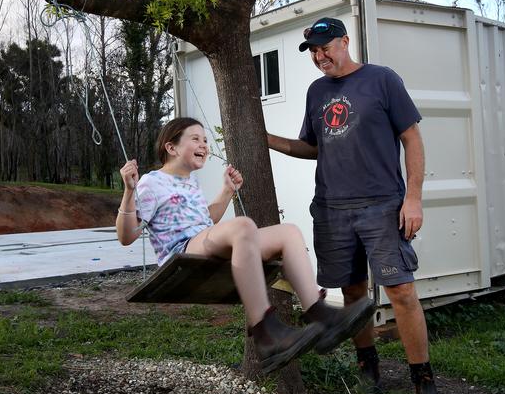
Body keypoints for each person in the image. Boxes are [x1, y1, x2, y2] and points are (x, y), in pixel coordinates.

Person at [267, 17, 443, 394]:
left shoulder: (382, 80)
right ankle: (369, 369)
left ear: (345, 41)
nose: (319, 55)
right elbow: (311, 147)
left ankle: (424, 383)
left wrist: (413, 198)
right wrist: (266, 139)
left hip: (382, 204)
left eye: (326, 46)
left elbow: (412, 138)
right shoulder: (316, 92)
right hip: (331, 208)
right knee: (352, 293)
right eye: (313, 50)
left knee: (401, 291)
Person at [116, 117, 376, 374]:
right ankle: (265, 332)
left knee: (288, 233)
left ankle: (320, 315)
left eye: (205, 140)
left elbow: (206, 221)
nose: (204, 145)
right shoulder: (151, 182)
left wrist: (227, 191)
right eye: (195, 139)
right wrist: (129, 192)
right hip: (180, 252)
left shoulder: (190, 182)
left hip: (201, 242)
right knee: (243, 226)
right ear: (171, 148)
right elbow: (127, 236)